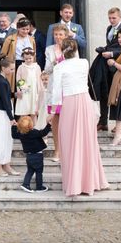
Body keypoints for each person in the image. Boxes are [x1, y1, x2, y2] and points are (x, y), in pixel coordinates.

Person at [51, 38, 108, 197]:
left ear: (62, 50)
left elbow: (56, 93)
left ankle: (74, 182)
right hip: (84, 101)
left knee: (69, 142)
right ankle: (90, 181)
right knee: (87, 141)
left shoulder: (59, 67)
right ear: (76, 49)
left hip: (69, 102)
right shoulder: (84, 62)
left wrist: (52, 111)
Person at [89, 7, 121, 131]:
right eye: (109, 18)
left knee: (118, 94)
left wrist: (112, 54)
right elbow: (111, 45)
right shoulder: (109, 29)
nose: (111, 20)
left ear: (120, 17)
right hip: (107, 66)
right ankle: (103, 122)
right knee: (105, 92)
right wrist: (104, 50)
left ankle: (120, 124)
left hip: (118, 67)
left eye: (114, 18)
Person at [44, 24, 70, 162]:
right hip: (54, 88)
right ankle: (57, 151)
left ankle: (68, 151)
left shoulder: (71, 48)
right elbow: (46, 69)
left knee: (68, 121)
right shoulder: (49, 49)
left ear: (65, 36)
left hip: (67, 88)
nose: (58, 37)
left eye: (61, 35)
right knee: (55, 121)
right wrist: (55, 61)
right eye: (56, 35)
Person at [11, 115, 52, 192]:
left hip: (29, 156)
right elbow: (43, 133)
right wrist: (49, 124)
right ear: (31, 125)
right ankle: (39, 187)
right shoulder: (34, 132)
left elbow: (13, 135)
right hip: (38, 156)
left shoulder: (21, 134)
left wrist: (13, 126)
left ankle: (26, 184)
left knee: (30, 171)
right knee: (39, 172)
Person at [0, 17, 35, 93]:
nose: (25, 31)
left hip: (28, 65)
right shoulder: (10, 39)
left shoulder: (31, 39)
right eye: (23, 29)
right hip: (15, 65)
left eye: (27, 29)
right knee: (16, 89)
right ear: (18, 28)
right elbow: (2, 55)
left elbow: (34, 54)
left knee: (27, 89)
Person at [14, 47, 41, 119]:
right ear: (23, 58)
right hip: (25, 91)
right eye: (26, 59)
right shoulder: (21, 67)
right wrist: (19, 90)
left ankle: (35, 128)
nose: (28, 60)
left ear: (34, 57)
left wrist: (40, 91)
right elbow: (18, 80)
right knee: (24, 110)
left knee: (34, 112)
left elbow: (39, 80)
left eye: (30, 58)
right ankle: (22, 128)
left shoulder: (37, 67)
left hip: (34, 91)